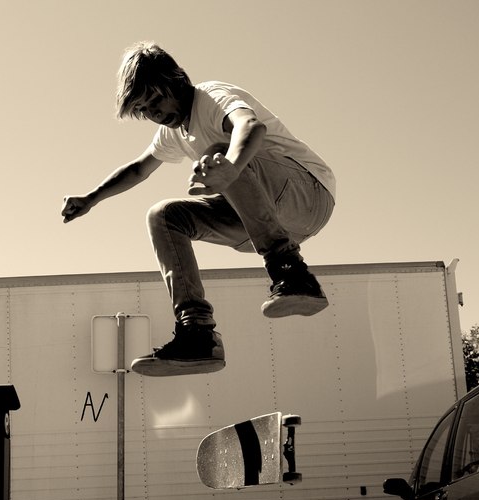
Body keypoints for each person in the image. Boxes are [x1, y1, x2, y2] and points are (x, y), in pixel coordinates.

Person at [62, 42, 335, 377]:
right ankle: (197, 332)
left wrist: (230, 167)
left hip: (307, 194)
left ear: (177, 80)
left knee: (220, 154)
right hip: (262, 218)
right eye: (146, 110)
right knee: (163, 216)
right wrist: (91, 198)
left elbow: (250, 127)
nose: (156, 114)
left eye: (157, 100)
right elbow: (138, 169)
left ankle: (291, 272)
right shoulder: (173, 132)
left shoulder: (211, 96)